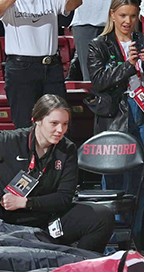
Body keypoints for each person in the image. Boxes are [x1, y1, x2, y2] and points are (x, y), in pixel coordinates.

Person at [86, 0, 144, 239]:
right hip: (115, 116)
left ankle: (134, 239)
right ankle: (112, 242)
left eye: (132, 16)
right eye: (123, 15)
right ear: (113, 15)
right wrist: (127, 66)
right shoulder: (98, 44)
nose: (127, 21)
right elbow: (99, 81)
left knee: (142, 180)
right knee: (113, 180)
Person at [0, 94, 111, 252]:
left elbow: (64, 197)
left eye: (65, 124)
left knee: (101, 217)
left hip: (47, 219)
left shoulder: (67, 149)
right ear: (37, 120)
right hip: (6, 221)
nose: (61, 130)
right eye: (54, 123)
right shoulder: (9, 141)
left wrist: (26, 202)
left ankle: (82, 266)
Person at [1, 0, 82, 127]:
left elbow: (75, 2)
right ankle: (26, 155)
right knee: (24, 125)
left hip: (50, 68)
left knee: (57, 120)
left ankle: (55, 155)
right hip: (21, 70)